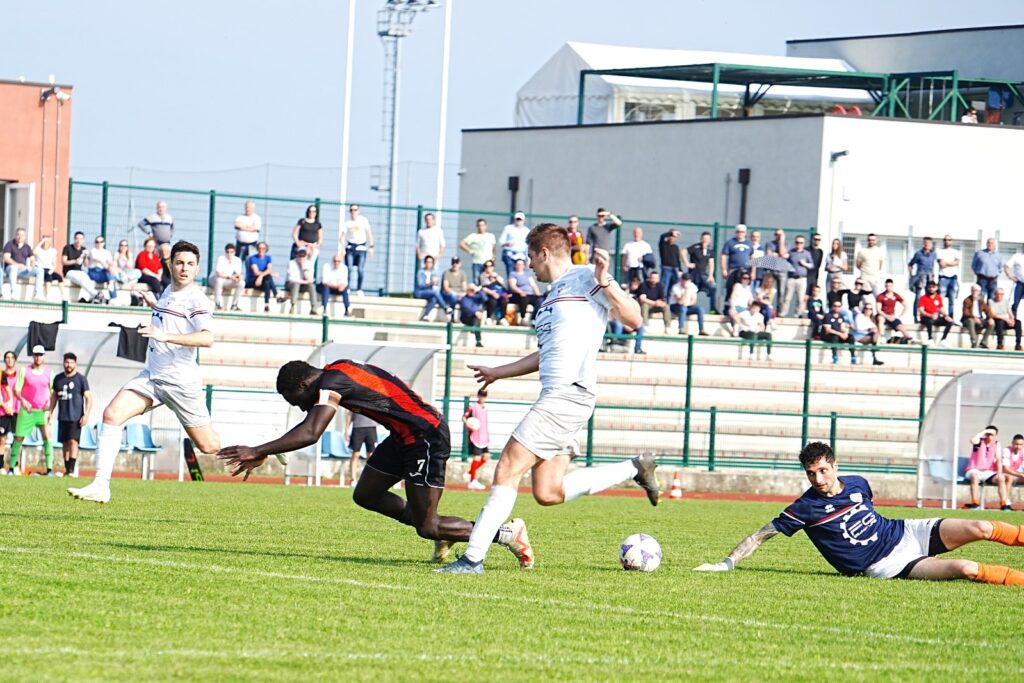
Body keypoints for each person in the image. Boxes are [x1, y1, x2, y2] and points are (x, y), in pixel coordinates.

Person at [437, 225, 658, 575]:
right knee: (548, 491)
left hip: (566, 395)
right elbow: (543, 355)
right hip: (562, 396)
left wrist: (606, 281)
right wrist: (499, 372)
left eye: (530, 258)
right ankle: (634, 467)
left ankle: (472, 558)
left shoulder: (587, 278)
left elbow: (634, 319)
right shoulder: (552, 296)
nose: (528, 266)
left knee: (507, 467)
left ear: (543, 252)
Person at [217, 359, 533, 567]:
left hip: (425, 435)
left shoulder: (331, 384)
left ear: (302, 386)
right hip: (402, 437)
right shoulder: (335, 370)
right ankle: (448, 530)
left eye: (295, 401)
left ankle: (504, 534)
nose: (301, 408)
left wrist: (257, 449)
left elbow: (312, 431)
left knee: (427, 526)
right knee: (366, 494)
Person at [694, 442, 1024, 586]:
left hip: (906, 531)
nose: (818, 479)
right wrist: (727, 562)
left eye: (823, 470)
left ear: (834, 465)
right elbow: (762, 534)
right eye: (811, 474)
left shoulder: (857, 483)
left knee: (982, 525)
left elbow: (869, 509)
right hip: (888, 565)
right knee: (966, 568)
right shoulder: (805, 508)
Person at [68, 241, 220, 504]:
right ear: (171, 264)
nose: (184, 268)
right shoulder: (167, 292)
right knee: (111, 415)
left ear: (197, 269)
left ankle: (263, 448)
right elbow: (170, 316)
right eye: (180, 262)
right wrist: (155, 307)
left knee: (208, 446)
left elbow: (207, 338)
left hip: (179, 382)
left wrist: (165, 335)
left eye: (191, 264)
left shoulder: (197, 300)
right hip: (152, 376)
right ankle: (101, 485)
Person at [10, 346, 54, 476]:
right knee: (18, 437)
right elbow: (17, 389)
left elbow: (53, 392)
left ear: (44, 356)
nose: (38, 357)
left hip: (42, 411)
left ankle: (50, 470)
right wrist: (22, 400)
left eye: (40, 355)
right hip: (27, 411)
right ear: (32, 356)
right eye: (35, 354)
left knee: (47, 437)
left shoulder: (49, 373)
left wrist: (49, 406)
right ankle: (11, 468)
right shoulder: (25, 370)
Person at [49, 352, 91, 477]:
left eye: (71, 362)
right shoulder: (58, 378)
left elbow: (89, 398)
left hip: (76, 417)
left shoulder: (81, 379)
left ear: (75, 364)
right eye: (67, 362)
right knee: (65, 443)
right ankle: (67, 470)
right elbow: (54, 397)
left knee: (73, 441)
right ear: (63, 363)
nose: (69, 365)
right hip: (63, 416)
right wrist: (49, 412)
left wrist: (86, 414)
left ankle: (72, 470)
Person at [963, 426, 1008, 510]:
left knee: (1001, 478)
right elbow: (972, 440)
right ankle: (975, 503)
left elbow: (998, 459)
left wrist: (999, 472)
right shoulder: (979, 441)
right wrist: (984, 431)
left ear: (996, 435)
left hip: (987, 472)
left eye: (992, 435)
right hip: (973, 470)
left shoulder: (996, 444)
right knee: (974, 476)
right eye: (988, 434)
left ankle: (1004, 504)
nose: (990, 437)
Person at [3, 228, 45, 301]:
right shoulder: (10, 244)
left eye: (22, 235)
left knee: (40, 270)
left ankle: (37, 294)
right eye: (18, 235)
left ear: (25, 237)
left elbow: (33, 259)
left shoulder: (27, 247)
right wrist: (17, 265)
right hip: (10, 269)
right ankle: (13, 292)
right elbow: (6, 258)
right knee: (14, 268)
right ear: (15, 235)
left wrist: (31, 266)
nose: (20, 237)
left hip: (23, 270)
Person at [342, 204, 374, 295]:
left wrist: (371, 246)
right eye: (351, 210)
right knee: (349, 268)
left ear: (358, 211)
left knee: (360, 269)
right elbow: (343, 236)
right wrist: (341, 249)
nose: (353, 212)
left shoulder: (363, 221)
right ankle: (347, 287)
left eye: (355, 210)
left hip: (361, 248)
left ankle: (359, 288)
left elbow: (369, 233)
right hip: (350, 247)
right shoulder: (347, 223)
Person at [464, 389, 490, 490]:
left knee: (486, 457)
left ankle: (470, 473)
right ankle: (472, 481)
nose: (482, 397)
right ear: (478, 395)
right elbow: (464, 417)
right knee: (477, 458)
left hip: (484, 437)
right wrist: (468, 424)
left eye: (484, 395)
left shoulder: (486, 408)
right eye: (481, 395)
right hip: (475, 436)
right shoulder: (473, 407)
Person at [781, 235, 813, 317]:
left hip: (802, 279)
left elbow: (812, 265)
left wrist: (804, 264)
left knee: (800, 298)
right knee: (787, 298)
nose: (799, 244)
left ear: (804, 243)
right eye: (797, 242)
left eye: (801, 243)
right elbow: (783, 258)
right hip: (791, 278)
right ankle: (783, 313)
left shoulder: (806, 253)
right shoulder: (791, 252)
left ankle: (798, 314)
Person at [61, 231, 98, 303]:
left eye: (81, 239)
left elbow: (86, 265)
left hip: (80, 271)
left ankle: (92, 298)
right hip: (69, 271)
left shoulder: (83, 249)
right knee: (81, 279)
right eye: (77, 238)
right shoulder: (68, 247)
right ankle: (96, 294)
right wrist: (75, 261)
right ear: (74, 239)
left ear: (83, 240)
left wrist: (86, 256)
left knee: (87, 279)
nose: (79, 241)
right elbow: (63, 262)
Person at [344, 410, 377, 488]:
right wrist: (346, 430)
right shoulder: (354, 400)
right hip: (357, 427)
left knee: (371, 455)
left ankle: (370, 479)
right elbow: (349, 414)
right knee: (355, 454)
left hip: (371, 427)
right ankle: (353, 479)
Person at [907, 237, 937, 323]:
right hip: (920, 277)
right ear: (923, 244)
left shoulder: (933, 254)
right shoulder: (918, 254)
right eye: (926, 243)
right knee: (918, 298)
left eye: (929, 243)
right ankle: (915, 317)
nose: (927, 245)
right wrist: (911, 276)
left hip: (930, 277)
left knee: (930, 297)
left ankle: (928, 316)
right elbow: (910, 265)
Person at [685, 231, 717, 312]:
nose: (705, 240)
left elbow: (711, 263)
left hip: (703, 274)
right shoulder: (695, 247)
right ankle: (689, 307)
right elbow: (683, 251)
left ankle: (712, 309)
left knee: (712, 288)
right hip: (694, 274)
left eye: (707, 239)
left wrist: (710, 275)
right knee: (692, 290)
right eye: (704, 238)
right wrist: (687, 263)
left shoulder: (710, 250)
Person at [245, 241, 279, 313]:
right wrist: (266, 274)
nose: (261, 250)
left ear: (266, 249)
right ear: (257, 249)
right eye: (260, 248)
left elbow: (269, 269)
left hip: (262, 281)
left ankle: (266, 305)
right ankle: (276, 295)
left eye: (263, 248)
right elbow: (256, 272)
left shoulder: (268, 258)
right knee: (268, 276)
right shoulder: (253, 258)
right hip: (253, 280)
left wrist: (261, 276)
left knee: (267, 280)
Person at [459, 218, 497, 283]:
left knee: (488, 281)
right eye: (479, 225)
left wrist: (494, 256)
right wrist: (469, 250)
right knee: (477, 281)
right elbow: (461, 243)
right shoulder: (473, 236)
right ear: (477, 226)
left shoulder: (491, 236)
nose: (481, 227)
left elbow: (493, 248)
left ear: (486, 226)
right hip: (477, 262)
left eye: (482, 225)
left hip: (488, 263)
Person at [719, 224, 752, 296]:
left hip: (745, 270)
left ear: (745, 233)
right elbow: (723, 256)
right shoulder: (730, 243)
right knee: (731, 288)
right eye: (738, 232)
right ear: (736, 232)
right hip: (733, 269)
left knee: (744, 290)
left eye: (742, 232)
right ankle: (728, 305)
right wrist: (724, 270)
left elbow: (752, 257)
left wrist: (753, 271)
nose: (740, 233)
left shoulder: (749, 243)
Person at [917, 280, 954, 345]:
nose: (931, 289)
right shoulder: (923, 298)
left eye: (933, 287)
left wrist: (946, 316)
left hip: (936, 317)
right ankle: (930, 338)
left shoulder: (938, 297)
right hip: (926, 317)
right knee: (929, 321)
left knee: (950, 321)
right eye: (930, 287)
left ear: (936, 288)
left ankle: (943, 340)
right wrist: (930, 315)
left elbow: (941, 308)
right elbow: (921, 310)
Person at [210, 243, 244, 311]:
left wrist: (238, 278)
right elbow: (218, 274)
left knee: (242, 283)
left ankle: (234, 305)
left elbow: (238, 274)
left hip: (226, 281)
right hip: (214, 279)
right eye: (227, 252)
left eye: (231, 252)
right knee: (219, 280)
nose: (229, 254)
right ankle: (218, 304)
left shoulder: (237, 260)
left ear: (235, 252)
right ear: (225, 252)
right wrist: (231, 277)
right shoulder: (221, 258)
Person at [507, 258, 541, 324]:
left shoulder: (527, 274)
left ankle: (534, 319)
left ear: (523, 266)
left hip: (530, 294)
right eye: (518, 264)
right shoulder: (513, 274)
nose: (519, 266)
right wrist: (520, 292)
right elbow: (512, 286)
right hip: (519, 294)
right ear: (515, 265)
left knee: (539, 300)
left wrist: (537, 292)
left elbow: (533, 285)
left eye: (521, 264)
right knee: (524, 299)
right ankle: (523, 317)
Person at [414, 255, 448, 322]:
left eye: (430, 262)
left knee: (434, 299)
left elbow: (436, 284)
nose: (428, 264)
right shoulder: (420, 272)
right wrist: (430, 283)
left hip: (429, 292)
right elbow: (420, 285)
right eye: (427, 262)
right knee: (435, 292)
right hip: (420, 292)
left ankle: (425, 315)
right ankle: (445, 308)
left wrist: (435, 283)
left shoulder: (434, 272)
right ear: (424, 263)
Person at [637, 269, 671, 333]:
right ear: (649, 278)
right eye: (652, 278)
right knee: (645, 305)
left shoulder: (660, 285)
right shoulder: (644, 285)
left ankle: (667, 327)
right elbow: (642, 299)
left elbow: (663, 299)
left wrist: (660, 303)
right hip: (647, 305)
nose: (654, 280)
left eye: (655, 278)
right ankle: (645, 325)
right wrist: (654, 303)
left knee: (666, 306)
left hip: (656, 305)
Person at [286, 248, 319, 316]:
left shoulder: (309, 264)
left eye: (303, 256)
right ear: (297, 256)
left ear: (306, 256)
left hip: (304, 284)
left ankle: (313, 308)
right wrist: (305, 282)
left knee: (312, 286)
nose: (301, 258)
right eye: (300, 256)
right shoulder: (291, 263)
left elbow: (310, 278)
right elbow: (292, 279)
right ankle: (293, 306)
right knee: (296, 284)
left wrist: (304, 268)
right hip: (292, 284)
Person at [822, 299, 856, 364]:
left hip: (838, 334)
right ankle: (834, 357)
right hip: (828, 335)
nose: (837, 308)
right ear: (832, 307)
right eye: (835, 306)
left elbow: (842, 327)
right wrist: (840, 334)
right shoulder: (828, 316)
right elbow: (828, 330)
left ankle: (853, 356)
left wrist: (845, 333)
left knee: (851, 337)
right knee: (835, 337)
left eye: (839, 306)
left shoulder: (841, 316)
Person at [497, 212, 530, 277]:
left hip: (521, 255)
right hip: (509, 254)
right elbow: (500, 241)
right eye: (517, 219)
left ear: (523, 220)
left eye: (520, 219)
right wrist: (506, 243)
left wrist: (528, 259)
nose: (518, 221)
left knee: (521, 274)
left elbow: (528, 246)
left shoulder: (526, 231)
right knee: (511, 273)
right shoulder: (508, 228)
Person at [86, 235, 118, 302]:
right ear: (95, 243)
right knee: (110, 275)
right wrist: (108, 267)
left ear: (104, 243)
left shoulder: (107, 252)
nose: (99, 243)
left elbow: (110, 263)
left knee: (110, 274)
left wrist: (114, 261)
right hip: (94, 272)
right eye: (97, 242)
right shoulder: (93, 250)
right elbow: (98, 260)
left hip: (104, 272)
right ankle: (113, 296)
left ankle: (113, 295)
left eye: (101, 242)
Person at [935, 235, 961, 317]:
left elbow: (957, 262)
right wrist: (952, 263)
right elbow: (942, 264)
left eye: (949, 240)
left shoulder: (956, 252)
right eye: (945, 240)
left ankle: (950, 317)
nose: (947, 241)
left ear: (951, 241)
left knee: (952, 300)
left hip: (953, 278)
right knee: (940, 299)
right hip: (943, 277)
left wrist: (947, 263)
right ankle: (939, 316)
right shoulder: (939, 251)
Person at [319, 252, 351, 316]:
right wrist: (336, 286)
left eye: (338, 261)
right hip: (326, 286)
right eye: (335, 261)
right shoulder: (326, 266)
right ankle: (324, 308)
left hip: (337, 288)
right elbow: (325, 282)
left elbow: (345, 282)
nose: (336, 263)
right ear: (332, 261)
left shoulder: (344, 268)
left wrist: (341, 286)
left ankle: (347, 309)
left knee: (345, 289)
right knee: (326, 288)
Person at [961, 283, 993, 349]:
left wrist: (990, 318)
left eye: (976, 291)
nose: (974, 292)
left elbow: (987, 310)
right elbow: (966, 312)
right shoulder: (967, 300)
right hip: (968, 319)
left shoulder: (981, 300)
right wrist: (974, 317)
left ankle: (983, 342)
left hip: (979, 319)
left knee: (992, 324)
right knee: (970, 321)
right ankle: (974, 342)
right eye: (973, 290)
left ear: (979, 292)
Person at [478, 259, 509, 324]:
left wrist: (496, 277)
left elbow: (503, 283)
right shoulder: (482, 276)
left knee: (504, 301)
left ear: (493, 267)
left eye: (490, 266)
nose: (488, 268)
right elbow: (484, 287)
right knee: (492, 301)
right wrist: (492, 293)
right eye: (486, 266)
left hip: (498, 294)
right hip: (488, 294)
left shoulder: (496, 275)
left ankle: (502, 318)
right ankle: (488, 317)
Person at [33, 235, 64, 300]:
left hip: (49, 269)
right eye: (45, 241)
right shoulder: (39, 250)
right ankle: (47, 295)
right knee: (48, 277)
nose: (46, 243)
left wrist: (51, 270)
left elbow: (54, 264)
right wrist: (41, 241)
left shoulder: (53, 251)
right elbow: (34, 251)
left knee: (59, 277)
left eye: (47, 241)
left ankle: (63, 295)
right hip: (40, 268)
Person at [458, 283, 488, 348]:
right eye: (470, 290)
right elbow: (465, 308)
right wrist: (475, 312)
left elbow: (485, 299)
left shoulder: (477, 298)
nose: (471, 292)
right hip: (466, 317)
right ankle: (478, 340)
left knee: (477, 319)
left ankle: (474, 331)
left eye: (472, 290)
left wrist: (478, 291)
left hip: (475, 318)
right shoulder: (464, 298)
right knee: (477, 318)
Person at [1000, 433, 1024, 511]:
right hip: (1005, 474)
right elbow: (1005, 469)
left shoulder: (1023, 451)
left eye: (1020, 444)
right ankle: (1006, 503)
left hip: (1017, 475)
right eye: (1016, 444)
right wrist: (1020, 474)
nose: (1018, 446)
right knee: (1009, 477)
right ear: (1012, 443)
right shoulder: (1006, 450)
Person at [233, 200, 261, 265]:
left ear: (253, 208)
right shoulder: (240, 217)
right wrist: (249, 227)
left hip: (252, 244)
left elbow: (255, 228)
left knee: (251, 262)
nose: (248, 209)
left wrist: (242, 227)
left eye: (249, 207)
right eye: (246, 207)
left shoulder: (257, 218)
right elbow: (236, 225)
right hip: (240, 243)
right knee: (237, 261)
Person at [0, 355, 15, 475]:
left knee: (2, 439)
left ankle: (0, 466)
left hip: (1, 414)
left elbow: (8, 392)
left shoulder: (1, 374)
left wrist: (8, 404)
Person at [658, 228, 682, 294]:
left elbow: (677, 259)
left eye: (674, 237)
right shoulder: (663, 245)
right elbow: (662, 237)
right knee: (664, 286)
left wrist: (680, 270)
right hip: (666, 269)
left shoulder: (676, 247)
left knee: (674, 287)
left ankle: (670, 301)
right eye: (670, 236)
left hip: (675, 269)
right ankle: (664, 300)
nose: (672, 238)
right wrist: (671, 232)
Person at [1003, 243, 1024, 313]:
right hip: (1019, 284)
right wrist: (1010, 275)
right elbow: (1006, 266)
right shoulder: (1017, 256)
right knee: (1015, 304)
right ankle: (1013, 322)